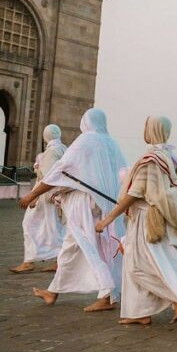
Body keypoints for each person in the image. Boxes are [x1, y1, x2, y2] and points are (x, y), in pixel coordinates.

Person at [94, 116, 177, 325]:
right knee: (152, 262)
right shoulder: (167, 156)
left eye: (146, 125)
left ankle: (176, 297)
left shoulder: (151, 159)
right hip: (154, 218)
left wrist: (107, 220)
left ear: (153, 129)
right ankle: (140, 312)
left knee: (137, 265)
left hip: (146, 220)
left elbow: (134, 194)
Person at [18, 108, 126, 311]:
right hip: (106, 204)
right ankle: (54, 291)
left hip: (83, 203)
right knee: (73, 247)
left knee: (88, 246)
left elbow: (61, 170)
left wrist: (33, 194)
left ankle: (106, 293)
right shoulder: (113, 144)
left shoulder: (85, 141)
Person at [11, 124, 68, 274]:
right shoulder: (63, 149)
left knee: (30, 224)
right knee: (55, 228)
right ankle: (57, 261)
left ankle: (28, 261)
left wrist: (34, 196)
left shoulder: (52, 152)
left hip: (46, 197)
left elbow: (48, 179)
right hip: (56, 197)